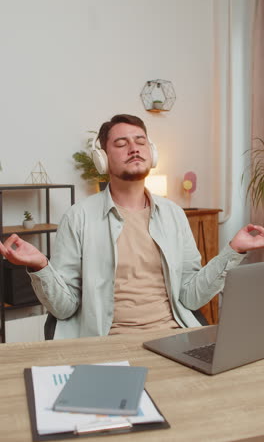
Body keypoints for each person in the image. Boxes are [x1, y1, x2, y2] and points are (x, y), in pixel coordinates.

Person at [0, 114, 264, 340]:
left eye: (140, 141)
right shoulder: (78, 217)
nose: (134, 148)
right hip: (108, 343)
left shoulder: (173, 214)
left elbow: (191, 298)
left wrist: (234, 250)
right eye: (121, 143)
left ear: (152, 153)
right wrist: (40, 266)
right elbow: (65, 309)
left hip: (174, 336)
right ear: (102, 159)